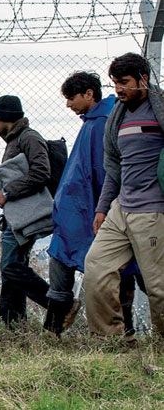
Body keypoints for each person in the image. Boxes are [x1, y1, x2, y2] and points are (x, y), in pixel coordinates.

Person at [84, 52, 164, 341]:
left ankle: (161, 346)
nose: (118, 89)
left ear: (143, 79)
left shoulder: (159, 109)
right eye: (115, 83)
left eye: (124, 82)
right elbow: (114, 167)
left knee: (158, 286)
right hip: (121, 207)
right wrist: (102, 208)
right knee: (95, 270)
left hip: (153, 210)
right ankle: (111, 340)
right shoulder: (118, 116)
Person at [44, 72, 115, 336]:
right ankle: (53, 327)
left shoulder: (102, 123)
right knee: (60, 259)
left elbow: (102, 171)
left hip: (88, 210)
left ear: (88, 94)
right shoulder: (93, 122)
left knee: (64, 260)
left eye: (71, 98)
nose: (68, 104)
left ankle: (54, 327)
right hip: (79, 210)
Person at [0, 94, 52, 327]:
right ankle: (14, 327)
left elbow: (41, 172)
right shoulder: (15, 140)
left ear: (6, 117)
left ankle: (58, 305)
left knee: (12, 268)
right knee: (11, 273)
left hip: (26, 217)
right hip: (15, 217)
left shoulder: (29, 138)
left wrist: (7, 192)